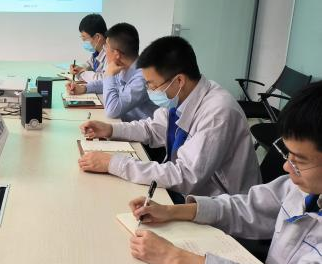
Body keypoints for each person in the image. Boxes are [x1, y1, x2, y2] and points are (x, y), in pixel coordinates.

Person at [128, 81, 322, 264]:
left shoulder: (219, 110)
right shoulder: (302, 187)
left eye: (299, 161)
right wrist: (172, 211)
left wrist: (175, 256)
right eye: (288, 155)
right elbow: (248, 207)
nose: (286, 166)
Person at [78, 36, 261, 200]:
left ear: (179, 80)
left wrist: (113, 163)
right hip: (194, 194)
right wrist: (111, 129)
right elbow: (152, 128)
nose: (150, 90)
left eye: (152, 85)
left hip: (221, 207)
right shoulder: (188, 95)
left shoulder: (218, 113)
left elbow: (185, 176)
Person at [66, 23, 157, 121]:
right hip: (124, 121)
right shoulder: (123, 67)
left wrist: (109, 75)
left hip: (142, 127)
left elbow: (112, 110)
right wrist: (84, 88)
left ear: (117, 54)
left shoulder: (141, 77)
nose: (104, 50)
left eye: (106, 47)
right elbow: (105, 83)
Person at [68, 14, 107, 84]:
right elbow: (89, 65)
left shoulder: (111, 53)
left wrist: (81, 73)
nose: (83, 41)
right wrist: (78, 68)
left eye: (84, 37)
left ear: (97, 37)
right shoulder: (97, 52)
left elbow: (104, 80)